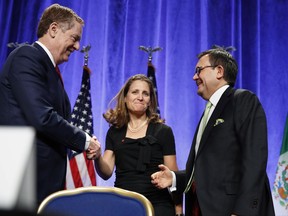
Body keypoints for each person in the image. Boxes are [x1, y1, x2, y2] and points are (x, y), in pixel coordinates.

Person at [151, 48, 275, 216]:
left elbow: (255, 160)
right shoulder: (209, 111)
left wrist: (242, 211)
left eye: (198, 70)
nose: (194, 77)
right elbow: (211, 168)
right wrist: (175, 178)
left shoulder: (243, 100)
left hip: (231, 209)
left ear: (219, 71)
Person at [0, 4, 101, 207]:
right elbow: (42, 116)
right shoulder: (26, 57)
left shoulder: (49, 69)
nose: (77, 47)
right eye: (74, 38)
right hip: (23, 179)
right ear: (53, 29)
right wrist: (84, 140)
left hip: (42, 183)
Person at [90, 74, 183, 216]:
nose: (140, 97)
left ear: (150, 101)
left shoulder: (163, 131)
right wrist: (97, 157)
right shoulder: (114, 132)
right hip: (123, 203)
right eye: (135, 92)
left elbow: (173, 176)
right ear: (125, 98)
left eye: (145, 94)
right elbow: (106, 172)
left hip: (158, 205)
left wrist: (178, 209)